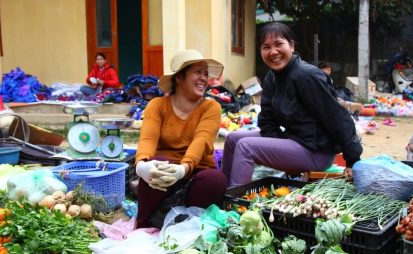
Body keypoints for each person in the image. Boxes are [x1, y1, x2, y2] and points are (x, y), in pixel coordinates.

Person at [221, 22, 363, 187]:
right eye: (266, 47)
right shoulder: (272, 78)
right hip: (293, 140)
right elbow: (267, 121)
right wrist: (279, 148)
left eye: (279, 44)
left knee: (246, 147)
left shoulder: (307, 76)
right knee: (232, 139)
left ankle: (234, 201)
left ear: (292, 46)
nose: (273, 52)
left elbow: (337, 118)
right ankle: (222, 191)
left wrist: (352, 160)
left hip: (316, 151)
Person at [134, 49, 227, 228]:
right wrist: (141, 166)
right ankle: (144, 225)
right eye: (198, 72)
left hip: (194, 172)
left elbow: (201, 141)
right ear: (179, 77)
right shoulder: (157, 105)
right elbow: (147, 139)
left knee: (215, 180)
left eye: (206, 74)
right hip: (164, 174)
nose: (204, 78)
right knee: (158, 164)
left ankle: (187, 226)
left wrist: (183, 169)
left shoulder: (211, 107)